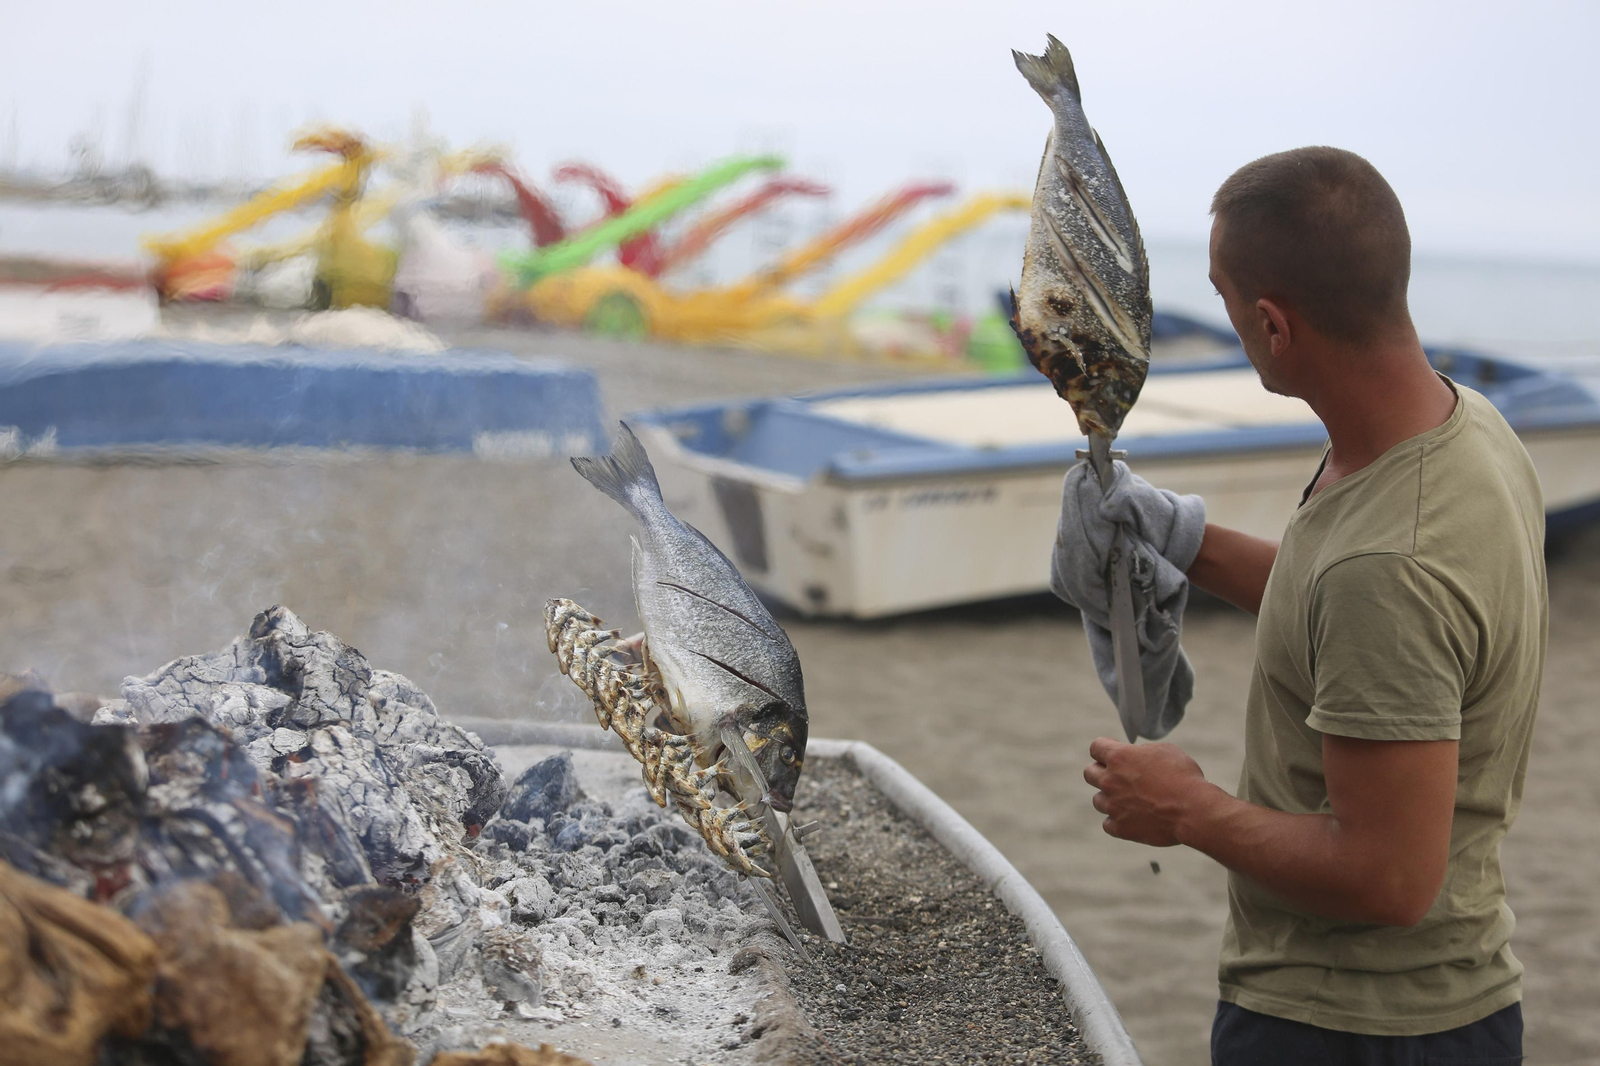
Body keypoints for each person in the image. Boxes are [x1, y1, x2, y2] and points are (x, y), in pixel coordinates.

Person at [1080, 147, 1544, 1064]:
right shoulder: (1463, 426)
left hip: (1355, 1027)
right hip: (1442, 1009)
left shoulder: (1391, 560)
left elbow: (1389, 879)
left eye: (1224, 300)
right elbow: (1338, 612)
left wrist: (1186, 809)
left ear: (1272, 323)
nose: (1228, 322)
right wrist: (1180, 538)